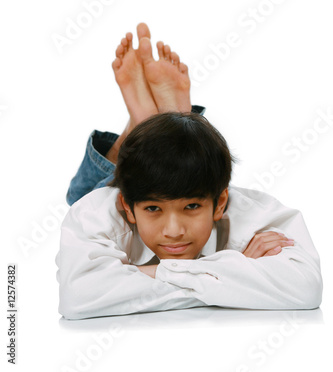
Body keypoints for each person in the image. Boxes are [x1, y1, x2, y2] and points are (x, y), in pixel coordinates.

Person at [56, 23, 323, 320]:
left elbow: (307, 289)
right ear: (127, 209)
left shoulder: (254, 215)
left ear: (221, 203)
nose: (173, 230)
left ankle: (154, 127)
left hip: (150, 189)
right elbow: (77, 299)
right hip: (116, 195)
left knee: (89, 193)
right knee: (84, 197)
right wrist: (233, 266)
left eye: (192, 206)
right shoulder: (99, 211)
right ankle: (165, 124)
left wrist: (140, 274)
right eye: (154, 208)